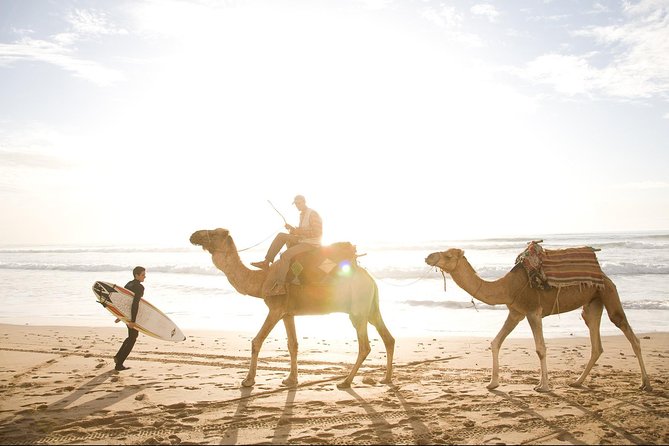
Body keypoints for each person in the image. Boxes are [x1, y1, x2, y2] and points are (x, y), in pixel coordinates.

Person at [251, 195, 322, 295]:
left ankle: (281, 286)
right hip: (303, 240)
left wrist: (298, 231)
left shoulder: (312, 214)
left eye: (299, 203)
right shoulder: (302, 214)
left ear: (304, 202)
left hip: (312, 243)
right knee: (281, 236)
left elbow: (317, 232)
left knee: (285, 255)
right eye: (296, 204)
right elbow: (302, 231)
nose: (297, 205)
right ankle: (266, 262)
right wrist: (292, 229)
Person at [113, 266, 145, 371]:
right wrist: (132, 321)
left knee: (131, 337)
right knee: (133, 337)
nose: (145, 277)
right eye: (143, 275)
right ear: (137, 275)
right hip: (131, 316)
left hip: (126, 315)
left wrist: (119, 315)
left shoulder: (128, 284)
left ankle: (118, 357)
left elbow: (122, 301)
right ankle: (119, 364)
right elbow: (134, 304)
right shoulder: (140, 287)